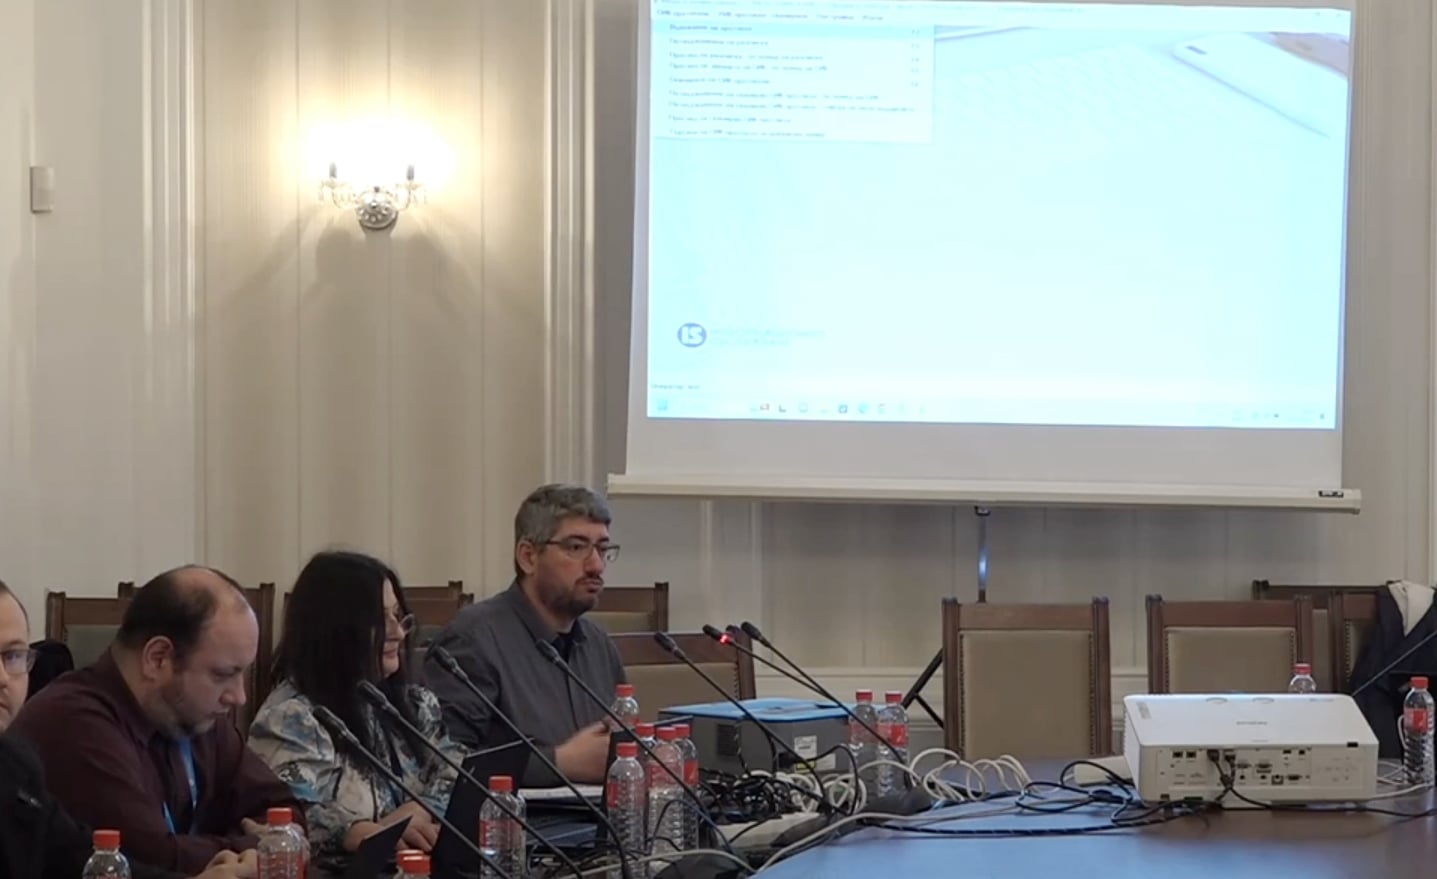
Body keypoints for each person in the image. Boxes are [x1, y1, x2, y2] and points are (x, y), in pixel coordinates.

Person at [10, 566, 302, 875]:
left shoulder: (196, 715)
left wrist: (266, 845)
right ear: (158, 658)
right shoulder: (74, 724)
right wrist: (262, 849)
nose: (239, 696)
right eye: (222, 674)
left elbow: (285, 812)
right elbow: (148, 859)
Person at [248, 551, 462, 872]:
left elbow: (456, 771)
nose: (398, 632)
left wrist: (420, 810)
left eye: (398, 616)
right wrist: (360, 832)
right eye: (380, 620)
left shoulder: (413, 705)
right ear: (334, 629)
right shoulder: (291, 718)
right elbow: (287, 817)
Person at [425, 484, 627, 785]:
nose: (596, 565)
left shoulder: (598, 644)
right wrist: (559, 763)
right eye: (576, 547)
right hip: (514, 814)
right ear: (528, 557)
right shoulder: (471, 642)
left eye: (602, 548)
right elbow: (443, 766)